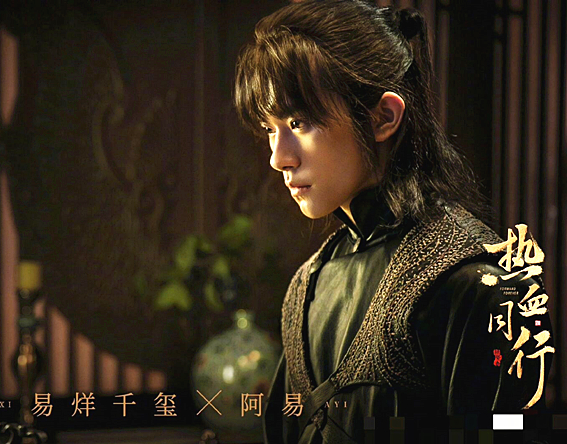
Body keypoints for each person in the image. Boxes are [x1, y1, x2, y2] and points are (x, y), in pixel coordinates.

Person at [233, 1, 554, 443]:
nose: (278, 157)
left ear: (383, 117)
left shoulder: (474, 284)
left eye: (298, 122)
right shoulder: (305, 287)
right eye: (271, 128)